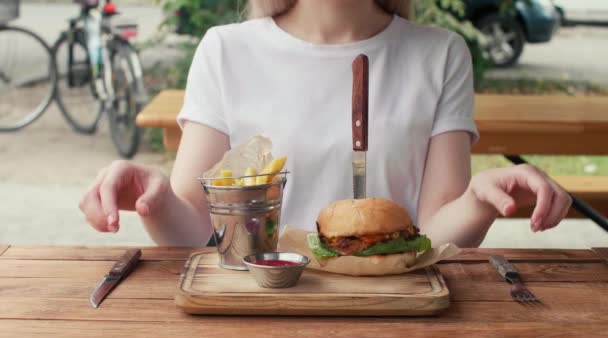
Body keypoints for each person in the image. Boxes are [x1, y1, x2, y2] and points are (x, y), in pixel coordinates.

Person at [79, 0, 572, 248]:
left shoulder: (440, 54)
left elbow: (434, 235)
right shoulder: (225, 50)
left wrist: (479, 200)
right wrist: (155, 197)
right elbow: (196, 229)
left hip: (395, 319)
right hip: (259, 316)